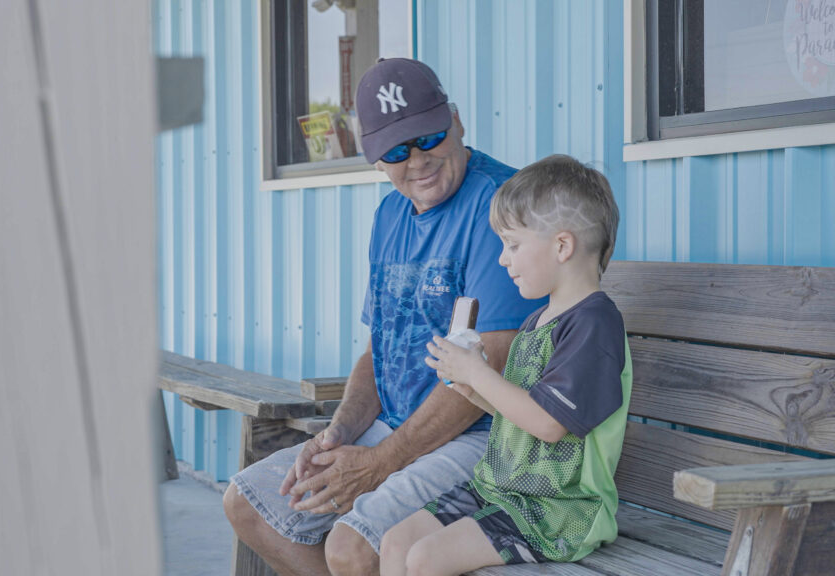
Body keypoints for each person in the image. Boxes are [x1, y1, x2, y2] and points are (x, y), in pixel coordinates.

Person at [222, 58, 545, 576]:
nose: (416, 160)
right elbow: (382, 348)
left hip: (483, 437)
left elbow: (496, 362)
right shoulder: (389, 214)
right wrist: (340, 433)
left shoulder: (502, 205)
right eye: (396, 150)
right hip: (395, 429)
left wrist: (379, 463)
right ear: (376, 160)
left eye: (429, 137)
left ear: (457, 121)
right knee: (249, 503)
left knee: (352, 547)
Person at [378, 154, 632, 575]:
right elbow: (520, 415)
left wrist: (480, 373)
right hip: (502, 490)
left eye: (512, 245)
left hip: (557, 509)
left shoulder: (593, 324)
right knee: (396, 542)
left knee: (425, 559)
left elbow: (550, 425)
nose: (502, 259)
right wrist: (471, 388)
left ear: (562, 246)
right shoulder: (539, 321)